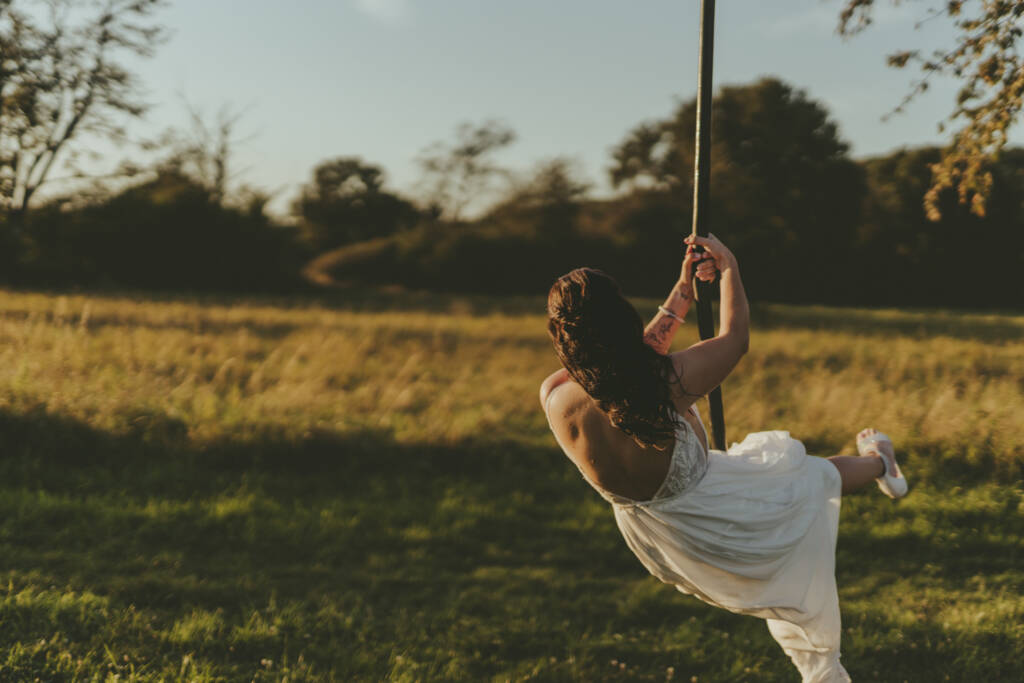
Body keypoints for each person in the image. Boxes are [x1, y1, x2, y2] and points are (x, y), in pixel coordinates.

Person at [539, 234, 908, 683]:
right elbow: (733, 340)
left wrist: (682, 293)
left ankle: (878, 465)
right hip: (711, 502)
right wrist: (730, 267)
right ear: (619, 318)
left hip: (656, 535)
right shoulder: (660, 385)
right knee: (811, 477)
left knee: (800, 491)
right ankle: (881, 461)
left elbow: (619, 364)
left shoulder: (555, 392)